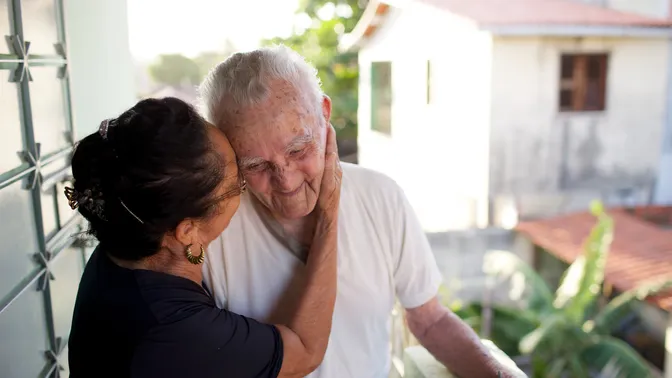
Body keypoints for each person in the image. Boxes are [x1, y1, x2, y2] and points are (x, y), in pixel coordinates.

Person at [199, 45, 521, 378]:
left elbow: (430, 319)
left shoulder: (381, 197)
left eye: (298, 149)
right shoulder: (210, 232)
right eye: (256, 165)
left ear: (324, 114)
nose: (286, 179)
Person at [66, 97, 342, 378]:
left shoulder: (127, 228)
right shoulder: (173, 330)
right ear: (188, 231)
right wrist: (329, 216)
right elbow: (305, 350)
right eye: (238, 183)